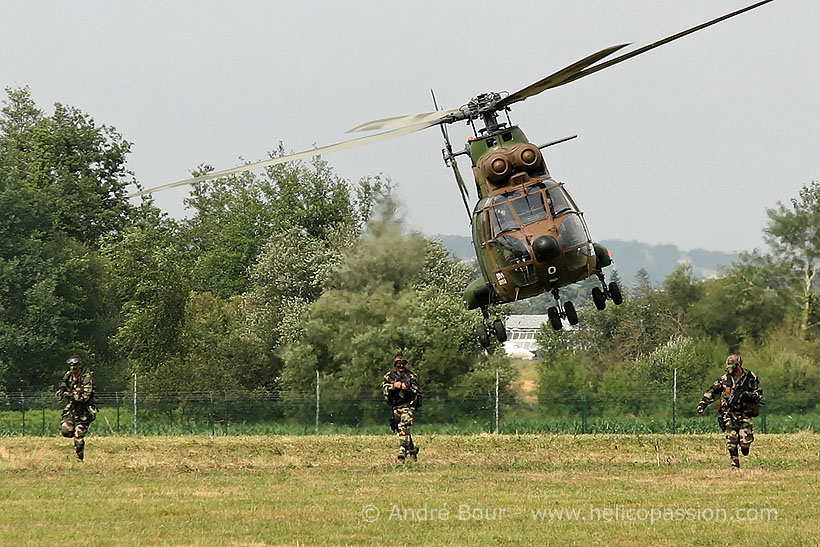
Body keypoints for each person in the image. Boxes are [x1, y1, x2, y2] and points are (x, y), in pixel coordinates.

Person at [697, 353, 763, 468]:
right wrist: (703, 404)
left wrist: (748, 395)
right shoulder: (724, 379)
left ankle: (745, 447)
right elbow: (712, 392)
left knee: (745, 442)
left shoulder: (750, 377)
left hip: (744, 413)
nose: (729, 369)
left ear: (738, 365)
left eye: (731, 367)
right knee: (731, 441)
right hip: (729, 413)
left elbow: (759, 393)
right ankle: (734, 465)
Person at [381, 353, 422, 462]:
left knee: (404, 425)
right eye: (398, 363)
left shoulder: (411, 375)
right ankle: (412, 449)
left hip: (407, 406)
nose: (401, 366)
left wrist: (406, 387)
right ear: (395, 364)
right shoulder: (389, 376)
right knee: (403, 430)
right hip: (395, 407)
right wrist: (394, 386)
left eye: (403, 363)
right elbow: (384, 389)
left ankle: (402, 451)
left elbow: (416, 389)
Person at [57, 355, 97, 461]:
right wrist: (61, 392)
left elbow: (85, 397)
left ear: (80, 365)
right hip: (72, 409)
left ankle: (79, 458)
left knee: (78, 436)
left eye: (75, 365)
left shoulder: (87, 377)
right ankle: (73, 434)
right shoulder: (68, 376)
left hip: (85, 410)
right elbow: (63, 386)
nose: (73, 368)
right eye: (71, 365)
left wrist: (69, 394)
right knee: (65, 431)